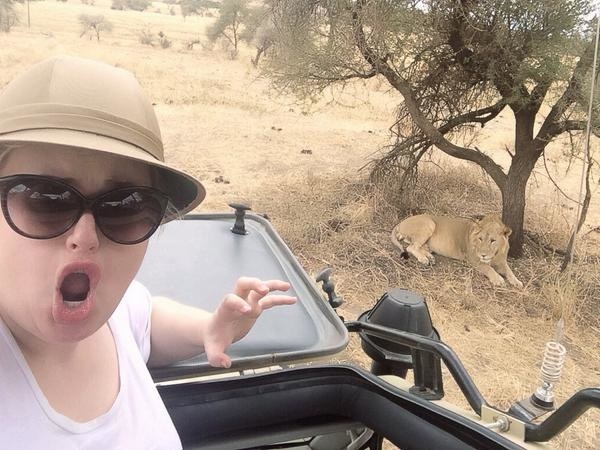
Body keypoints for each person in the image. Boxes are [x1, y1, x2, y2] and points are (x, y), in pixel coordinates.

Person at [0, 56, 297, 448]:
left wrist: (208, 328)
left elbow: (145, 319)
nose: (85, 237)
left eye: (124, 206)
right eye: (46, 198)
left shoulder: (111, 314)